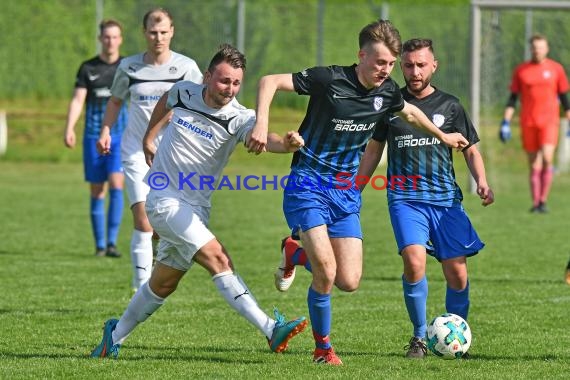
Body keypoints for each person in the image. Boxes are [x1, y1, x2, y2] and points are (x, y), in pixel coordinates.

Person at [247, 19, 468, 365]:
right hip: (308, 184)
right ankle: (323, 349)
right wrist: (262, 123)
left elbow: (409, 111)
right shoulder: (329, 79)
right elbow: (269, 81)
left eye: (391, 64)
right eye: (380, 62)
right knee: (326, 271)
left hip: (345, 194)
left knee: (347, 281)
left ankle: (293, 252)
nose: (386, 70)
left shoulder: (387, 92)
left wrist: (443, 137)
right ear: (361, 55)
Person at [91, 44, 307, 359]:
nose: (230, 89)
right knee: (219, 258)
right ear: (207, 77)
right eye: (224, 81)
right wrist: (149, 138)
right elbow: (165, 101)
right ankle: (271, 330)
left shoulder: (239, 117)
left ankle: (114, 337)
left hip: (196, 209)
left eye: (236, 83)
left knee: (162, 284)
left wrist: (286, 145)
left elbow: (263, 139)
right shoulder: (184, 92)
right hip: (164, 201)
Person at [357, 38, 494, 359]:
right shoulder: (390, 104)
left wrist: (483, 182)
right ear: (400, 66)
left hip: (445, 200)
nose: (414, 71)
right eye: (408, 65)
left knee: (457, 273)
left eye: (421, 65)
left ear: (434, 66)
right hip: (405, 198)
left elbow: (470, 149)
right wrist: (355, 188)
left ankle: (457, 337)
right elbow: (374, 149)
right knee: (414, 262)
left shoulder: (451, 106)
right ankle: (419, 338)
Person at [97, 8, 203, 291]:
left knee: (161, 224)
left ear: (172, 32)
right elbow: (116, 101)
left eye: (164, 32)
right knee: (143, 219)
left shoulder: (186, 68)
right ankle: (140, 286)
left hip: (172, 156)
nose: (158, 38)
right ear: (144, 33)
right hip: (134, 152)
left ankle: (157, 261)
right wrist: (106, 130)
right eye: (153, 33)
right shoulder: (129, 67)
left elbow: (199, 105)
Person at [63, 19, 128, 258]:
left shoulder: (128, 67)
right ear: (100, 39)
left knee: (117, 184)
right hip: (92, 136)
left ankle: (112, 243)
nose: (110, 41)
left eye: (115, 37)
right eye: (107, 37)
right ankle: (100, 245)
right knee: (97, 189)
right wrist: (69, 127)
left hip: (119, 136)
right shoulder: (87, 68)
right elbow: (78, 100)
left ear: (120, 39)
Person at [500, 34, 570, 213]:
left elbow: (564, 99)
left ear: (546, 49)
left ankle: (543, 201)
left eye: (541, 47)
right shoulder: (521, 70)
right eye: (534, 47)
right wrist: (506, 121)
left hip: (549, 122)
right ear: (530, 49)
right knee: (533, 163)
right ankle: (536, 202)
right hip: (528, 122)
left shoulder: (556, 69)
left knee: (547, 158)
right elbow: (512, 99)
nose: (537, 50)